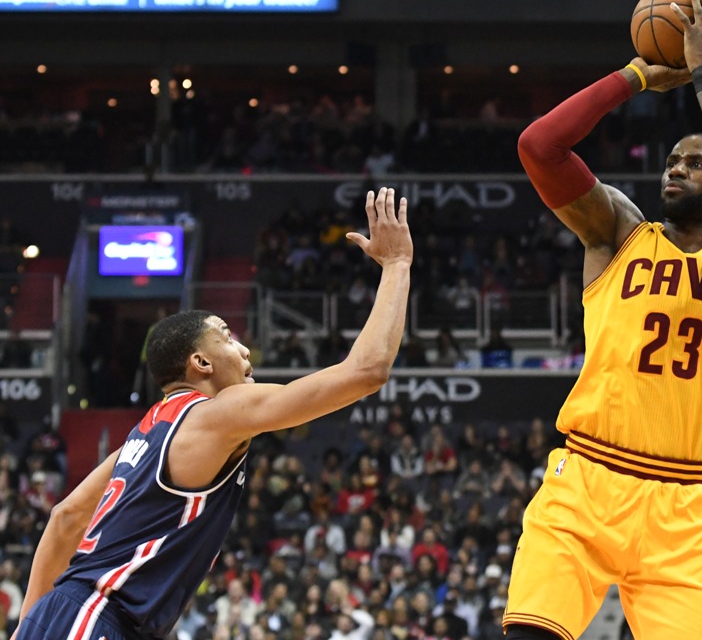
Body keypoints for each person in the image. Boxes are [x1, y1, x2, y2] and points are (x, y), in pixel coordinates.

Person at [505, 0, 702, 640]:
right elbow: (538, 146)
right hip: (585, 481)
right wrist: (636, 76)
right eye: (670, 162)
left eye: (694, 162)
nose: (676, 169)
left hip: (682, 506)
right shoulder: (617, 232)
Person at [13, 188, 412, 640]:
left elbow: (65, 517)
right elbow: (365, 372)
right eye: (226, 337)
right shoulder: (216, 413)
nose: (244, 350)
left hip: (71, 615)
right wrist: (397, 266)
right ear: (200, 364)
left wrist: (29, 625)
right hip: (97, 617)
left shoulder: (148, 432)